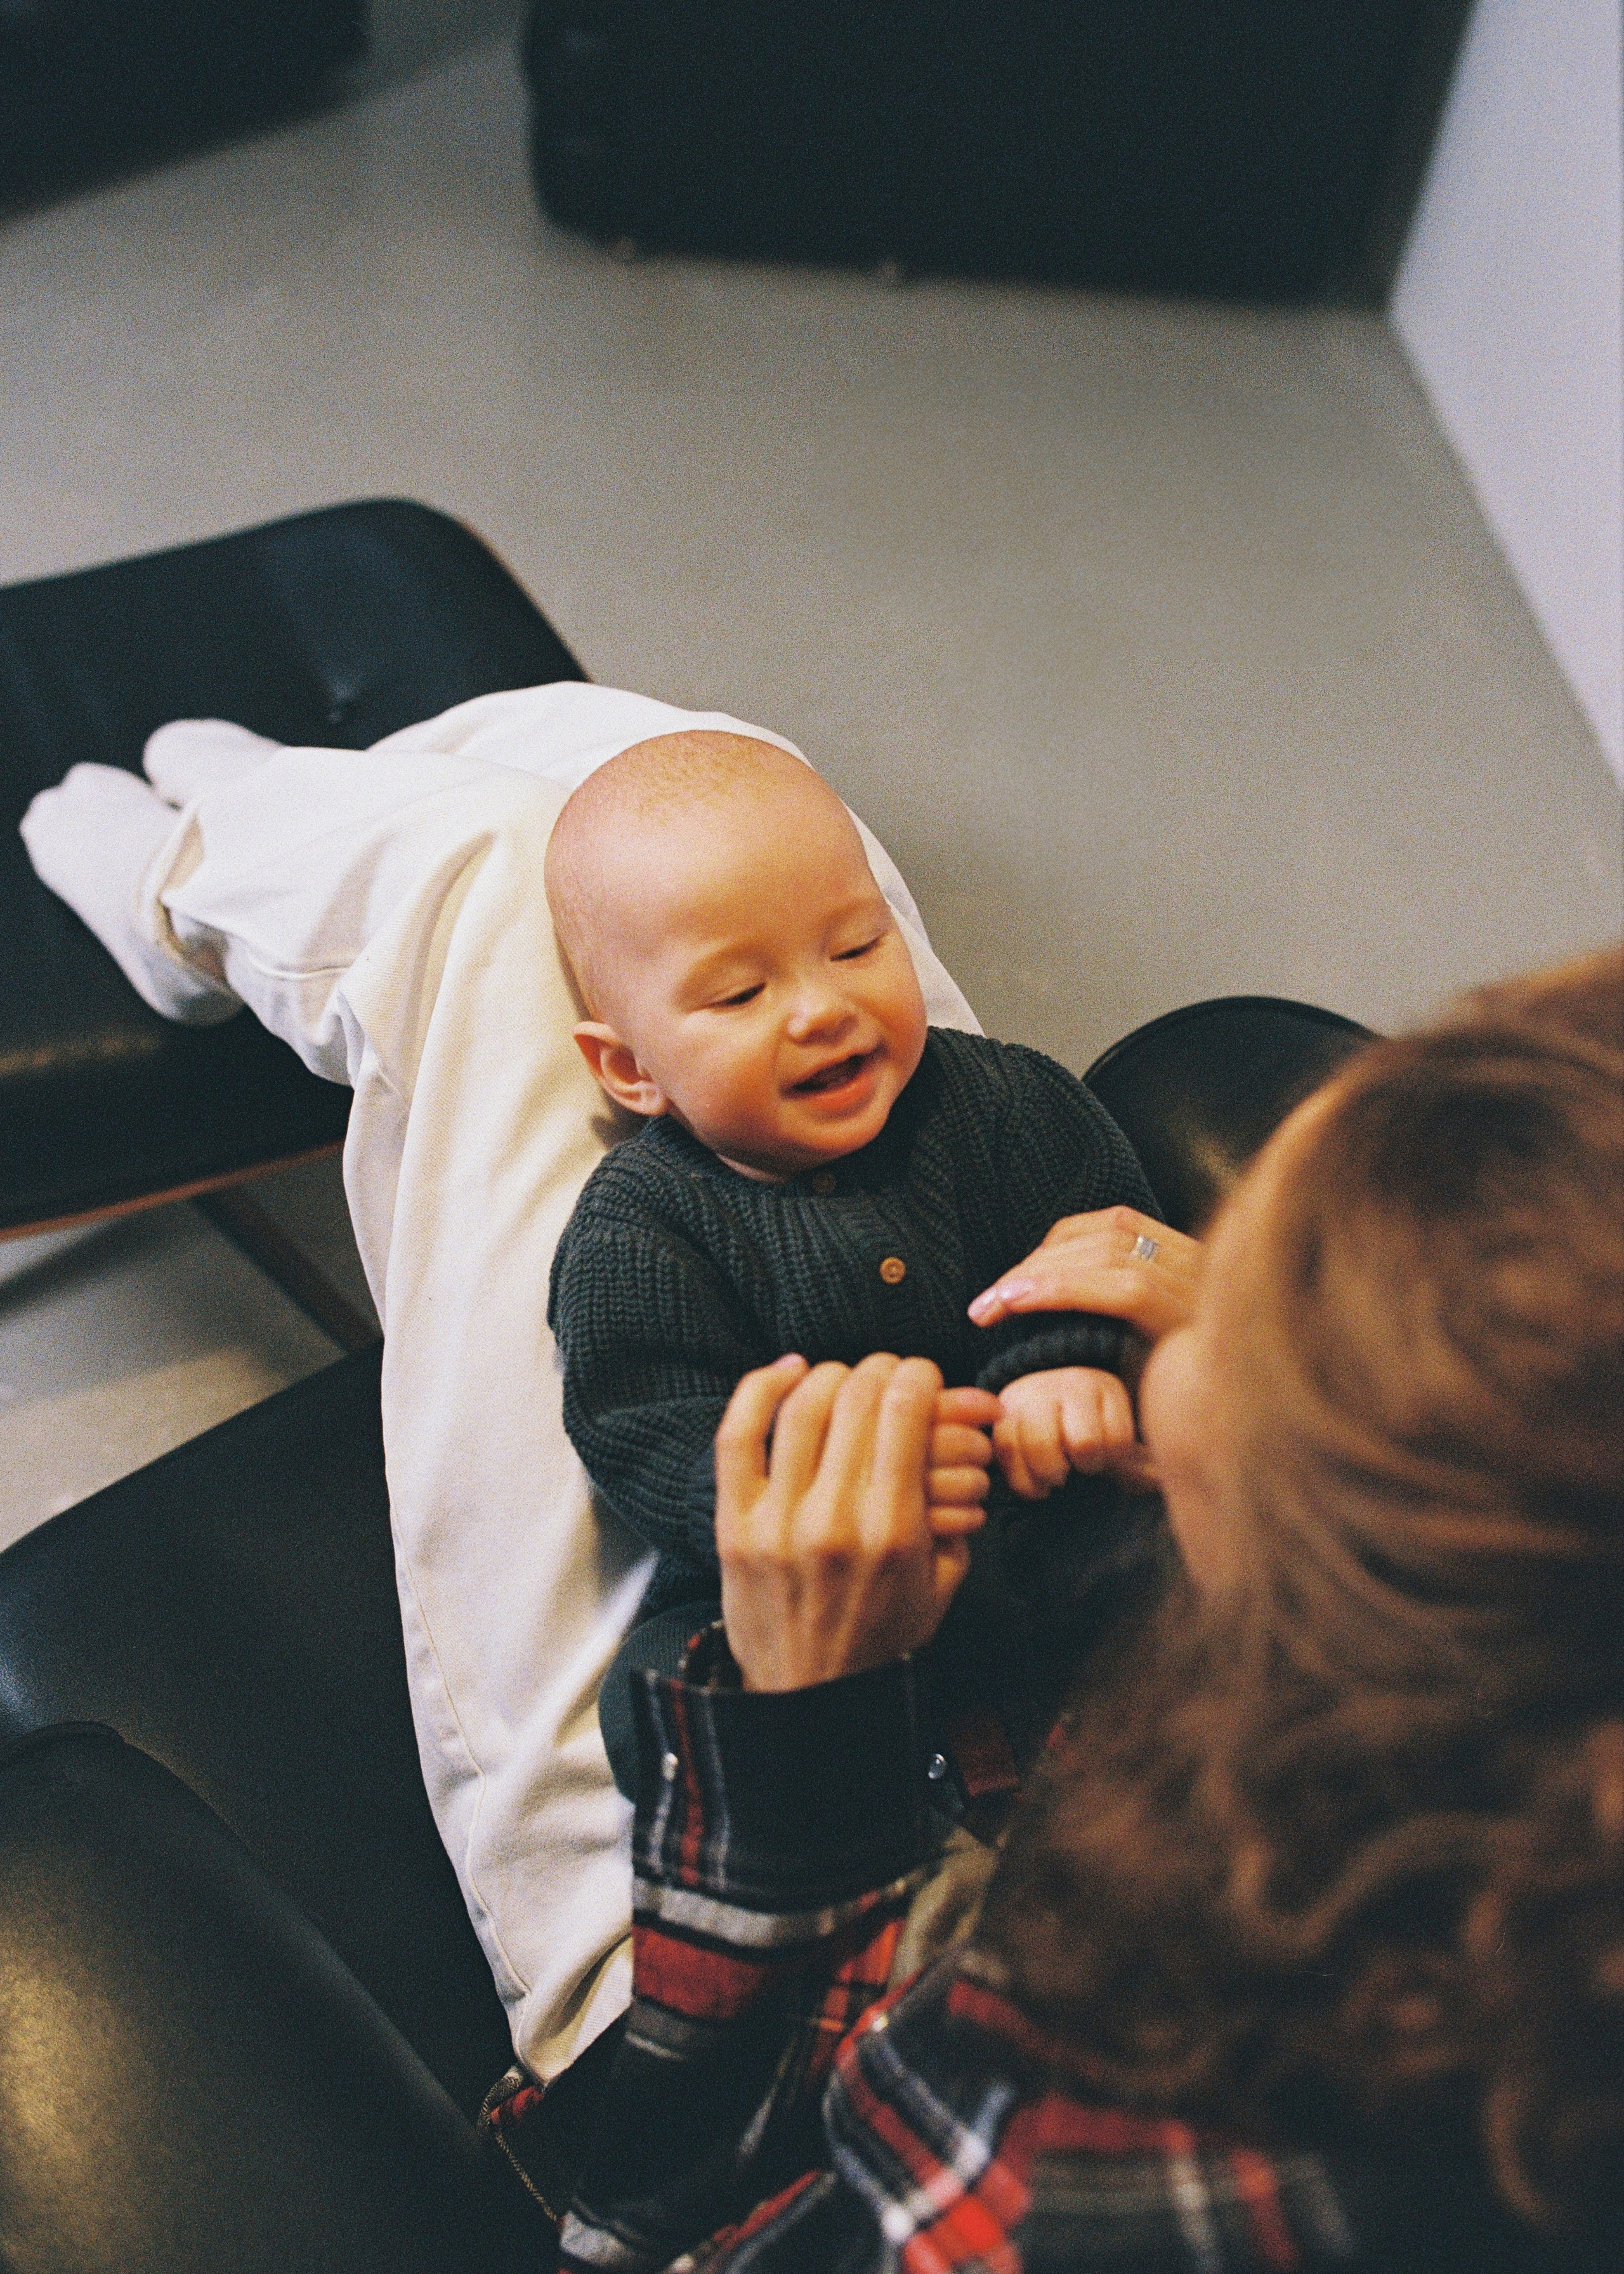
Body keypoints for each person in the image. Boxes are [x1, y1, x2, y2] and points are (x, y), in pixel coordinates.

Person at [492, 946, 1623, 2273]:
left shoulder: (1122, 2155)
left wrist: (801, 1741)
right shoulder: (1492, 1754)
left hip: (803, 1967)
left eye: (1241, 1306)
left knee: (483, 865)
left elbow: (652, 2242)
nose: (1179, 1291)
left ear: (1343, 1541)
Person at [18, 682, 979, 2087]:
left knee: (483, 875)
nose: (826, 1004)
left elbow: (699, 2153)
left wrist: (805, 1699)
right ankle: (282, 793)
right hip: (1062, 1673)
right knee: (722, 789)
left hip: (705, 1922)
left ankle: (190, 876)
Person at [543, 731, 1163, 1780]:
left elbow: (1102, 1234)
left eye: (857, 947)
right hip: (813, 1586)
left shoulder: (1002, 1100)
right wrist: (796, 1495)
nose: (823, 1007)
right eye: (740, 995)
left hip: (1054, 1509)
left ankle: (1106, 1744)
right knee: (655, 1699)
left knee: (1194, 1533)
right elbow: (637, 1420)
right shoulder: (638, 1230)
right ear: (631, 1070)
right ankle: (891, 1792)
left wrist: (1063, 1362)